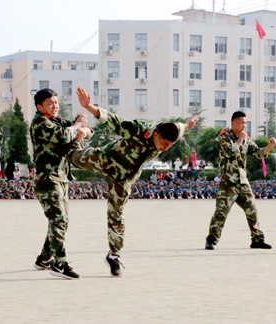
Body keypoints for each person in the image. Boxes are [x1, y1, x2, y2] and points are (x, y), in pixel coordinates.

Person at [70, 87, 199, 277]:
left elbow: (180, 127)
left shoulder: (171, 132)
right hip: (105, 160)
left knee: (117, 217)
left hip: (123, 180)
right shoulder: (138, 130)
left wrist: (188, 125)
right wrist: (88, 106)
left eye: (169, 146)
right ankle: (80, 129)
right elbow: (113, 120)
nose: (164, 149)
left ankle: (113, 256)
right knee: (72, 156)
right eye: (163, 144)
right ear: (156, 134)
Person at [30, 88, 91, 280]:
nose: (55, 106)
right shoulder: (40, 122)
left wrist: (84, 128)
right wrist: (78, 127)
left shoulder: (57, 121)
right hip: (47, 179)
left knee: (60, 221)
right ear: (39, 107)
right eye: (50, 103)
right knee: (59, 220)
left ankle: (44, 258)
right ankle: (60, 263)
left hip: (61, 178)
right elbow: (64, 135)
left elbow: (85, 130)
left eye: (56, 102)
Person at [204, 111, 275, 251]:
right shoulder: (224, 137)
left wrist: (269, 147)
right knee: (221, 212)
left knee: (252, 210)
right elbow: (230, 152)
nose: (244, 125)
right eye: (242, 123)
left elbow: (258, 153)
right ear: (233, 123)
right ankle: (211, 239)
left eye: (245, 123)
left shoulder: (246, 138)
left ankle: (257, 239)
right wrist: (240, 139)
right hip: (228, 182)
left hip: (242, 181)